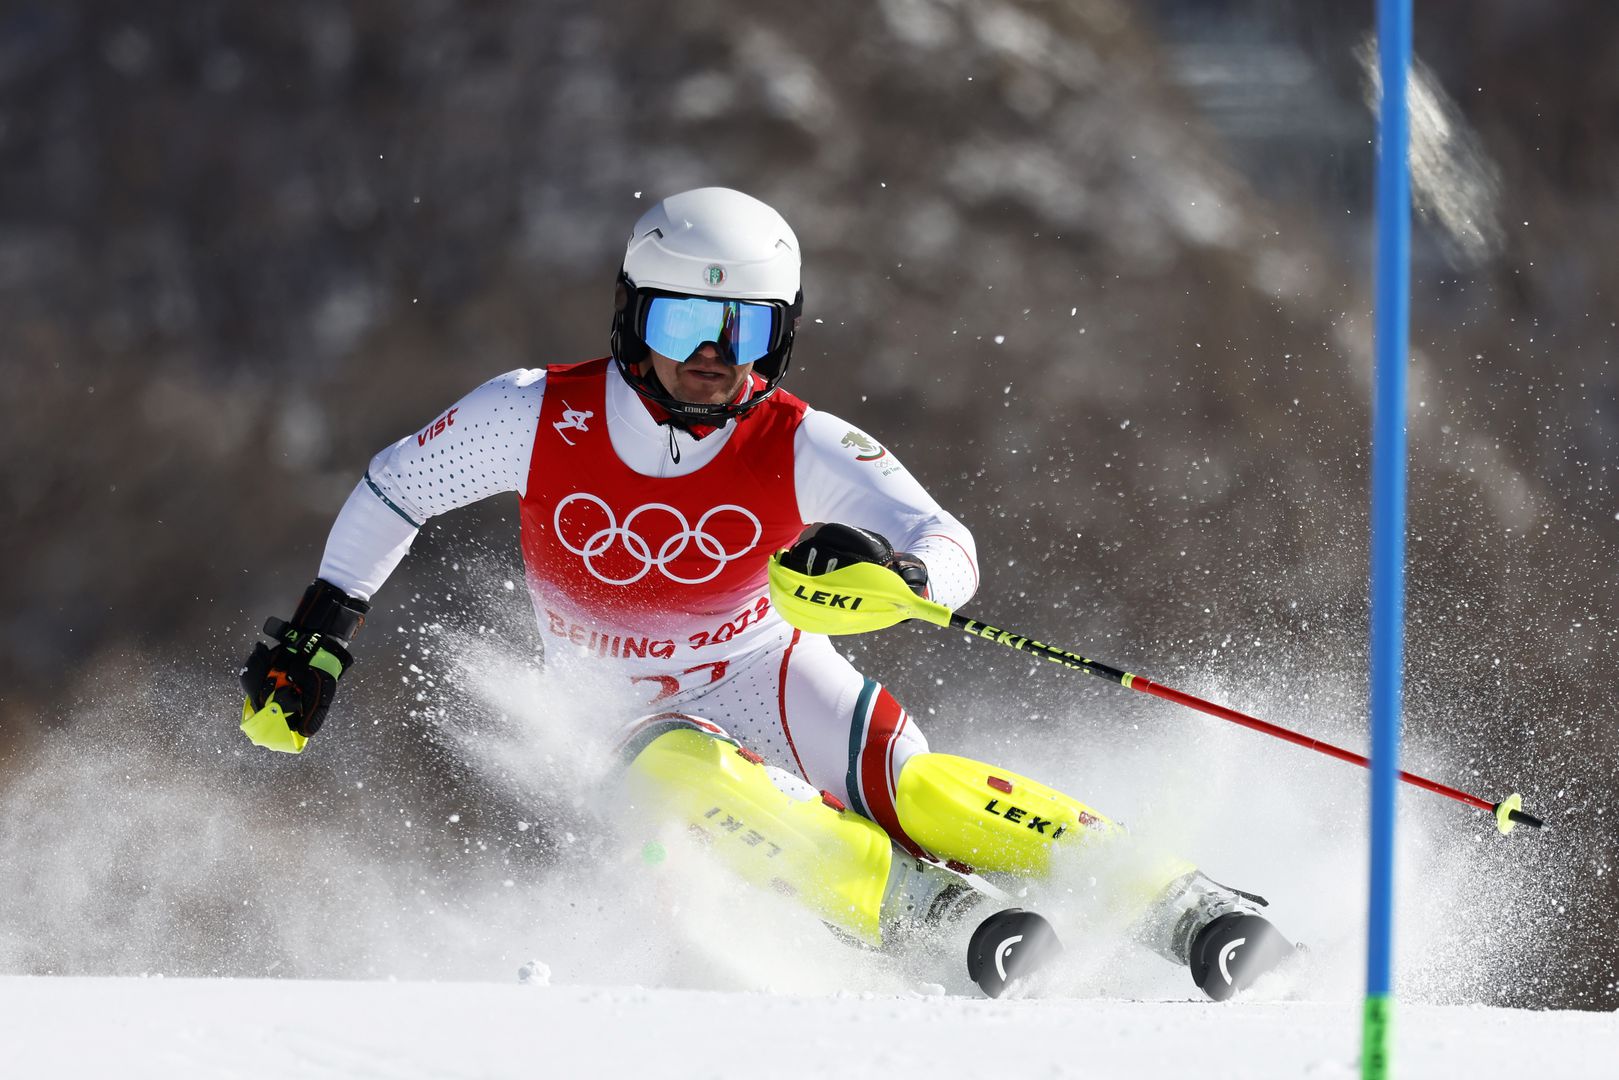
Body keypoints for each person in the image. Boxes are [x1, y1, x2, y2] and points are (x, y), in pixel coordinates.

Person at [239, 187, 1293, 998]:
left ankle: (1182, 905)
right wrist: (322, 628)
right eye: (681, 328)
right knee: (674, 776)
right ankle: (931, 915)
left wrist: (899, 575)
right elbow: (396, 487)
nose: (709, 358)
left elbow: (945, 542)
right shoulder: (532, 415)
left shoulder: (794, 440)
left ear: (776, 336)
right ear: (629, 320)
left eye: (740, 332)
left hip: (766, 669)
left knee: (920, 794)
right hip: (626, 711)